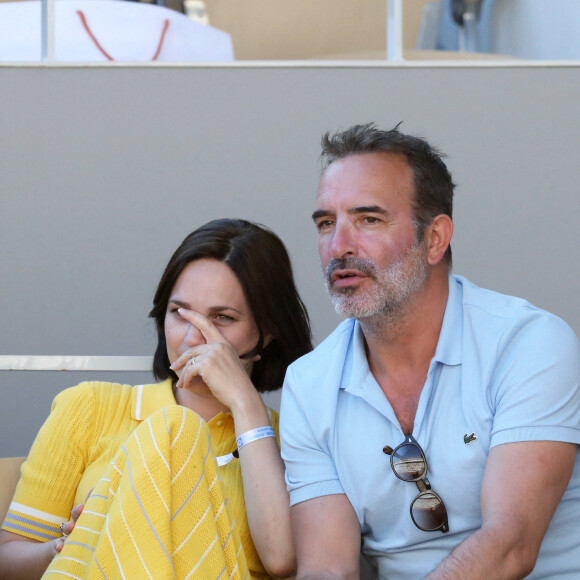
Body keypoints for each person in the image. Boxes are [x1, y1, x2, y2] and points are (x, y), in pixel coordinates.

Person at [280, 123, 580, 579]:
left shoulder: (528, 342)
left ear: (435, 238)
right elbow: (327, 567)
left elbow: (511, 544)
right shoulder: (307, 384)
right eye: (326, 224)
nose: (339, 246)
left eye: (368, 219)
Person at [0, 218, 312, 579]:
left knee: (174, 431)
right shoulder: (90, 406)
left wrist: (246, 406)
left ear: (268, 332)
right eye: (180, 313)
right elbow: (8, 562)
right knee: (172, 430)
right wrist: (71, 546)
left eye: (222, 318)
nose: (194, 337)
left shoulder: (294, 437)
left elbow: (282, 560)